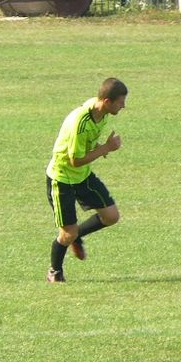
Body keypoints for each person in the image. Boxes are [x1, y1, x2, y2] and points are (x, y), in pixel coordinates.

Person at [45, 78, 128, 283]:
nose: (123, 106)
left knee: (111, 216)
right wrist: (106, 148)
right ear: (107, 101)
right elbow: (75, 160)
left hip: (83, 176)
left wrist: (99, 147)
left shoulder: (100, 113)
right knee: (67, 233)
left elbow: (86, 145)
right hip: (62, 179)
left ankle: (77, 236)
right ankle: (54, 272)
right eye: (120, 102)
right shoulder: (80, 122)